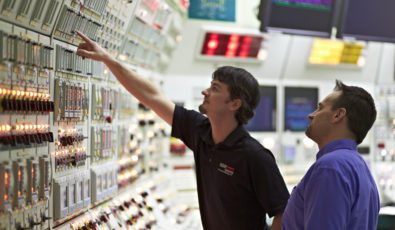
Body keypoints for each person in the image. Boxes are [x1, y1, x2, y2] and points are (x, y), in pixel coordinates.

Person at [76, 31, 290, 230]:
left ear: (234, 104)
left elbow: (284, 213)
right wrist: (107, 59)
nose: (206, 91)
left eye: (215, 88)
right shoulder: (200, 132)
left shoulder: (255, 156)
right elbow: (151, 96)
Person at [282, 80, 380, 230]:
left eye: (319, 108)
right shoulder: (361, 168)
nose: (311, 115)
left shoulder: (330, 168)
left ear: (338, 115)